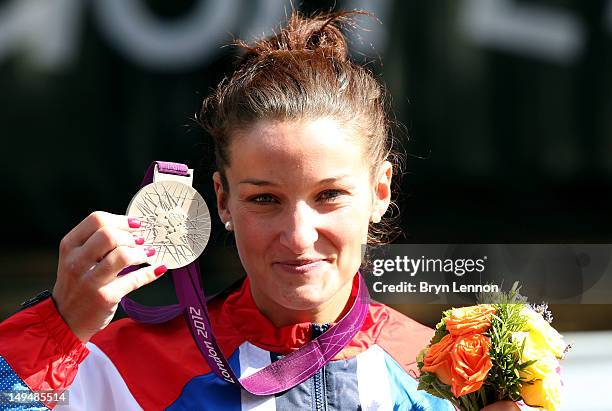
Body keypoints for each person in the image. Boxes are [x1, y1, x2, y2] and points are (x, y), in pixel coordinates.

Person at [0, 10, 522, 411]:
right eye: (265, 199)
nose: (298, 236)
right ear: (223, 200)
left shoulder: (450, 379)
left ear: (380, 192)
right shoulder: (121, 367)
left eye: (329, 195)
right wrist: (54, 333)